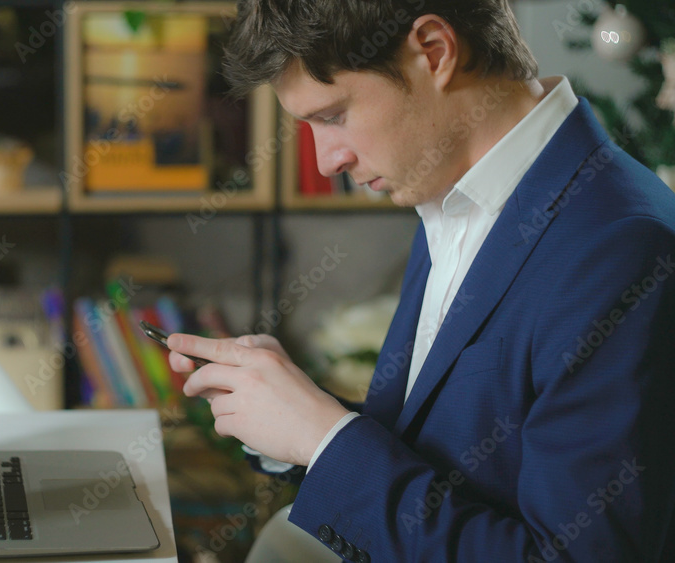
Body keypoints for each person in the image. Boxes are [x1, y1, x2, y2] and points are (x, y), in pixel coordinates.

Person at [165, 0, 675, 561]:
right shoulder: (455, 196)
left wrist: (325, 440)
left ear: (434, 51)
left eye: (332, 116)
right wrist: (294, 417)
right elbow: (444, 457)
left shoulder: (622, 249)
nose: (328, 159)